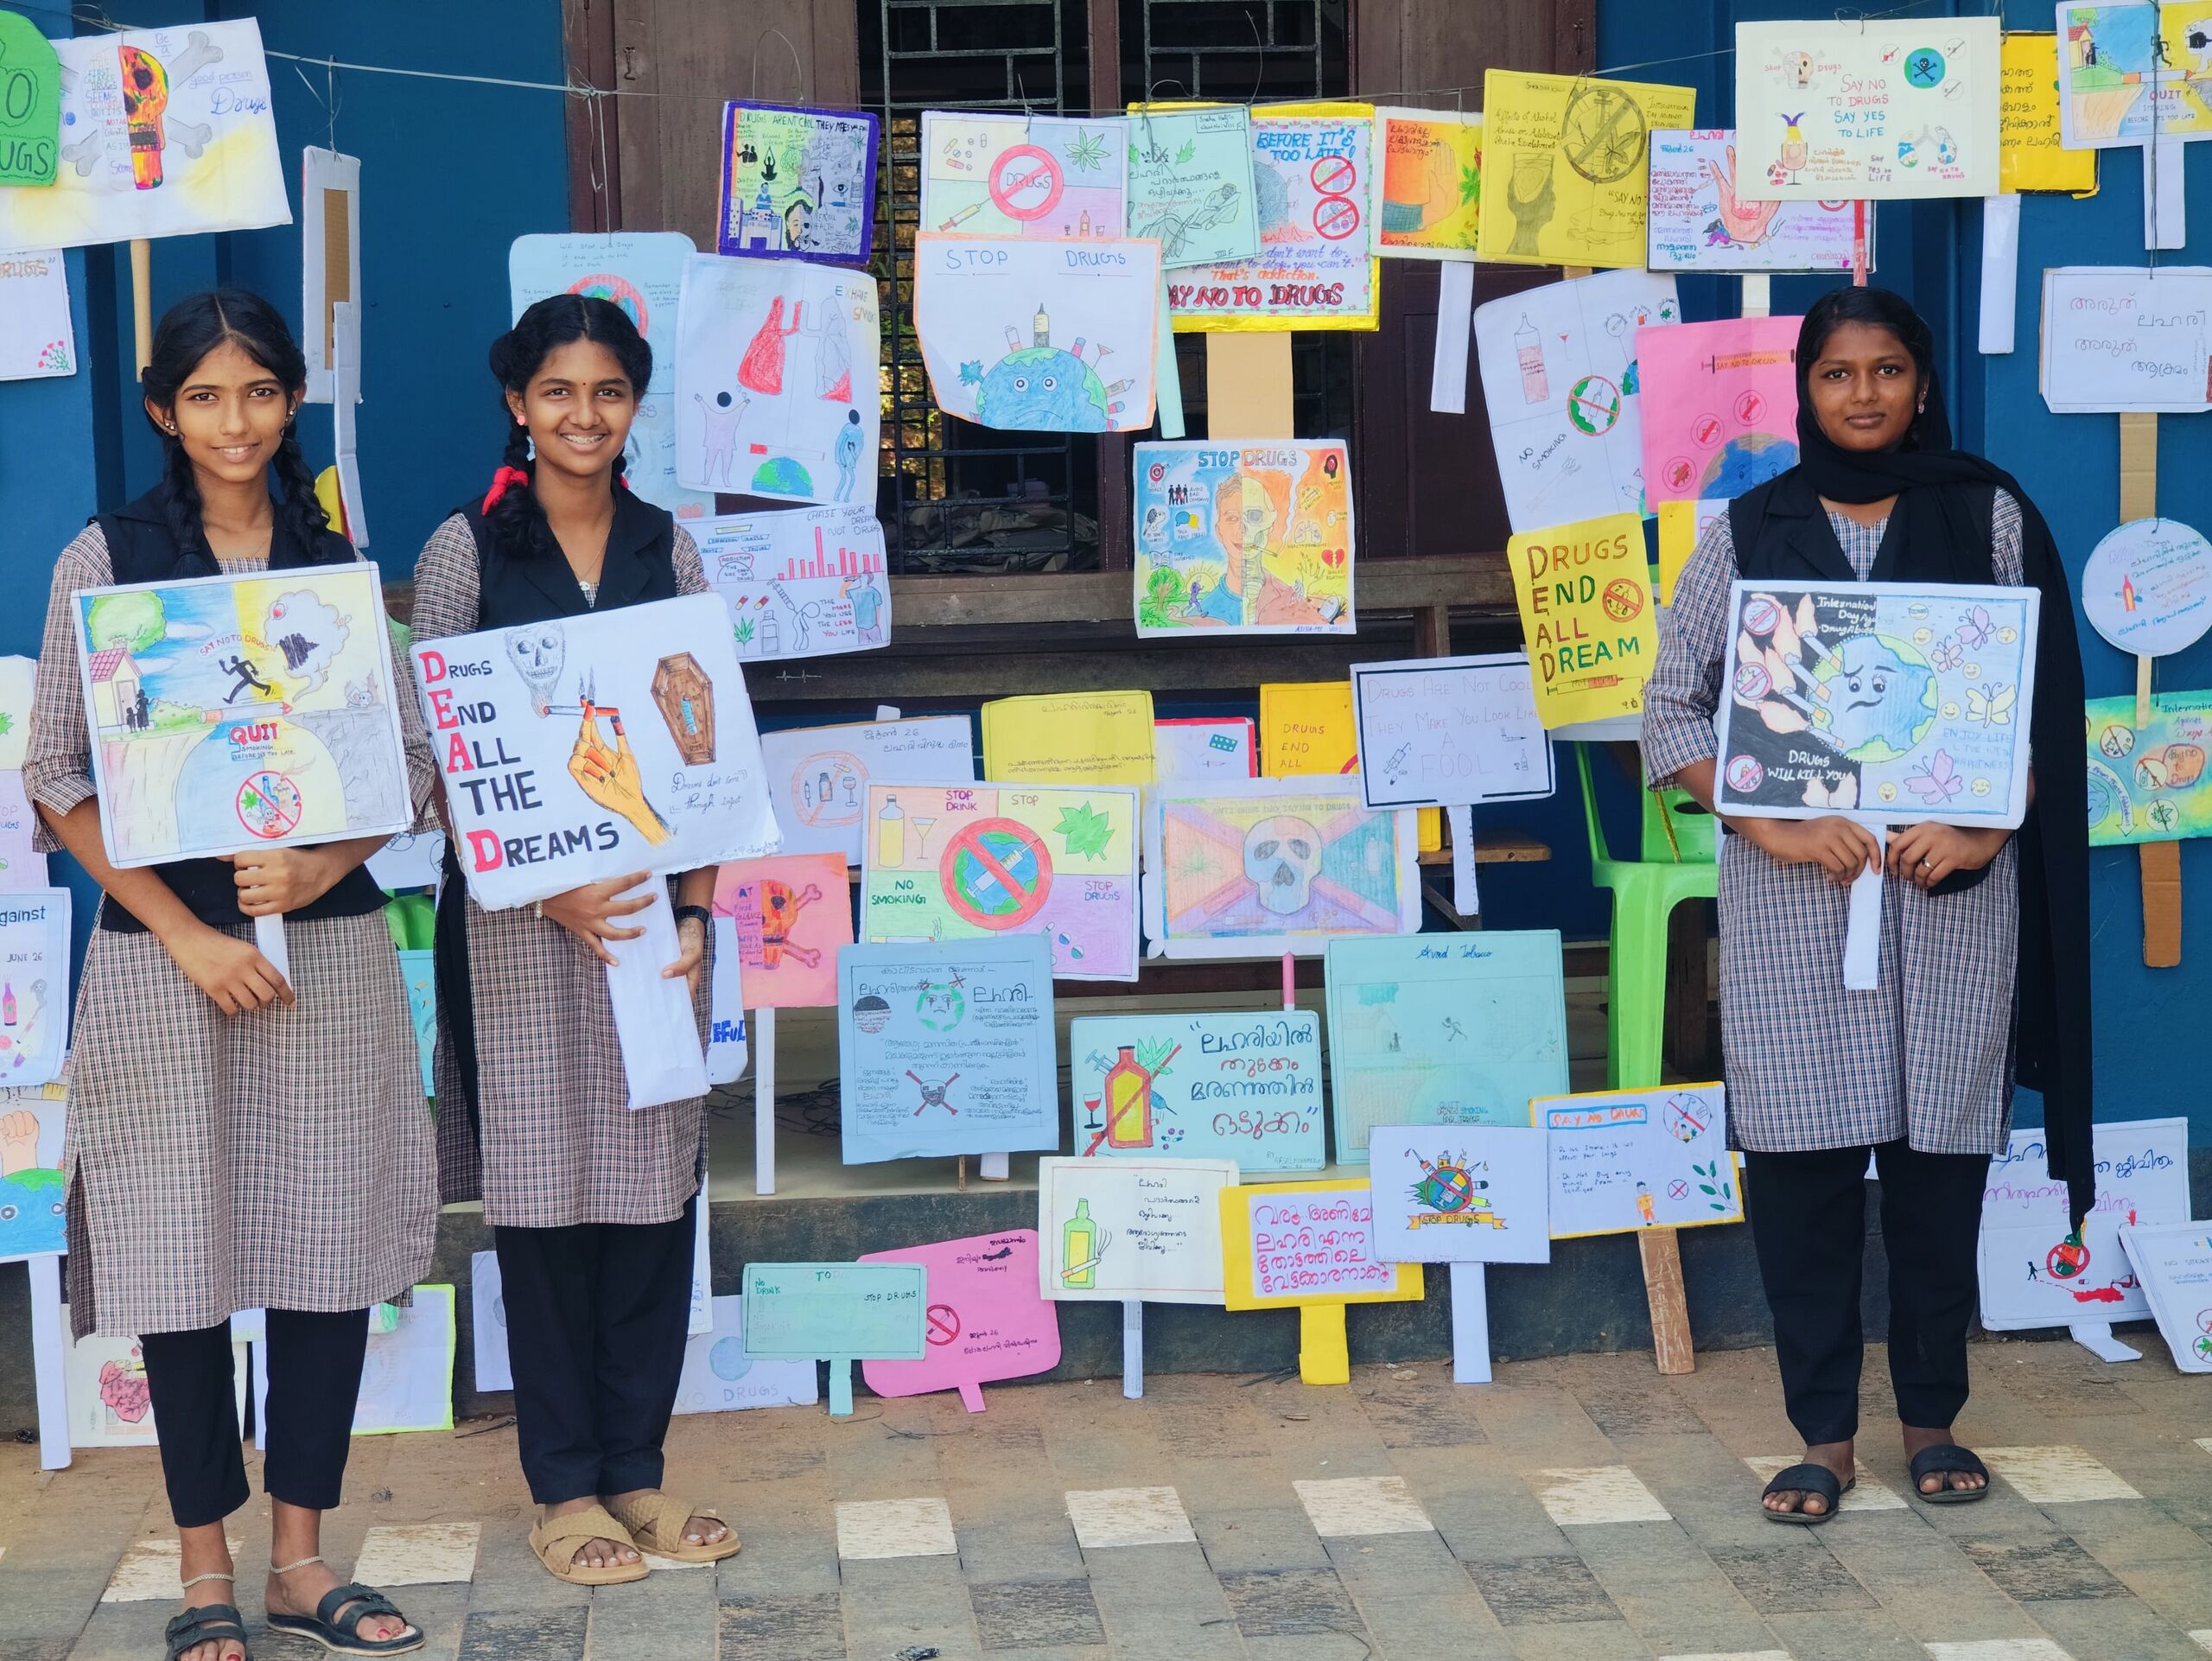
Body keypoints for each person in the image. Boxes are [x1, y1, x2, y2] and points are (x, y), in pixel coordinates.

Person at [26, 289, 437, 1661]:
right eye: (204, 395)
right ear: (162, 409)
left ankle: (300, 1560)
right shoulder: (109, 559)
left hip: (327, 954)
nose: (234, 421)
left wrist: (322, 867)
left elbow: (408, 763)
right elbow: (56, 775)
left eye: (259, 391)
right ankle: (204, 1564)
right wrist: (187, 932)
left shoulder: (333, 563)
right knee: (177, 1255)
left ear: (292, 398)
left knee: (326, 1246)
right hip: (164, 965)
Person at [1641, 286, 2092, 1524]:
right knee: (1805, 1179)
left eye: (1887, 370)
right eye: (1837, 373)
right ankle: (1823, 1438)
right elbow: (1671, 711)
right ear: (1805, 388)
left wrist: (1986, 824)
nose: (1863, 394)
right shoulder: (1750, 530)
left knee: (1941, 1170)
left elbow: (2043, 710)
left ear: (1923, 383)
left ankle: (1933, 1419)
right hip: (1796, 910)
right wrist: (1777, 825)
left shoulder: (1989, 519)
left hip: (1951, 907)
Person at [411, 294, 737, 1585]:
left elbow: (711, 751)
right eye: (558, 390)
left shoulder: (671, 546)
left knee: (653, 1194)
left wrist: (698, 909)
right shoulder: (467, 549)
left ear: (634, 405)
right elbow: (438, 745)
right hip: (517, 934)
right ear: (518, 402)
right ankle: (563, 1486)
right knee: (545, 1205)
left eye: (607, 391)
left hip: (654, 921)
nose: (582, 414)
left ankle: (637, 1471)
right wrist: (545, 890)